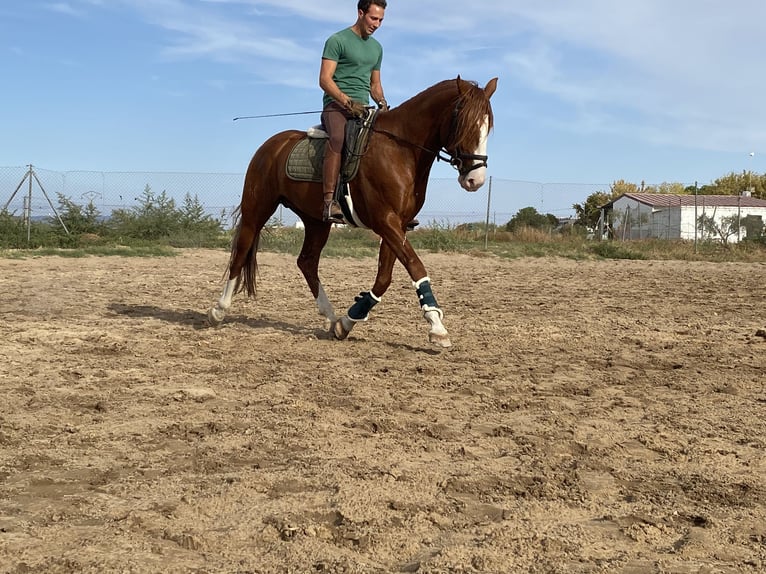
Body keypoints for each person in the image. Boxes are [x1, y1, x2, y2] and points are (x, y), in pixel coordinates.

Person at [319, 0, 389, 223]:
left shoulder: (376, 48)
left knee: (386, 141)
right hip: (336, 107)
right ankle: (329, 202)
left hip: (364, 110)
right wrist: (347, 101)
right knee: (338, 138)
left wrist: (383, 103)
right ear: (360, 13)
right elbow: (324, 79)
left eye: (381, 20)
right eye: (373, 18)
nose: (377, 24)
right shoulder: (337, 40)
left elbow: (375, 85)